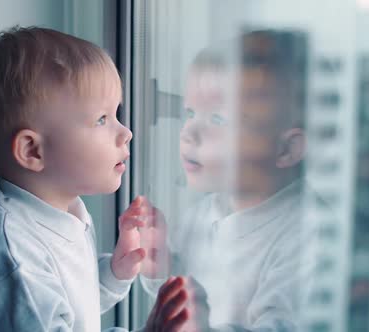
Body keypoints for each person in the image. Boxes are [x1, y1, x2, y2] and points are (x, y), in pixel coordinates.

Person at [0, 26, 190, 332]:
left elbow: (66, 305)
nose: (126, 132)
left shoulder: (61, 214)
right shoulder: (9, 250)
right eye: (101, 119)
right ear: (33, 150)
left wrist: (113, 271)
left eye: (116, 114)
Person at [133, 29, 316, 331]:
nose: (188, 132)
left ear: (285, 149)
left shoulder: (303, 233)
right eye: (190, 113)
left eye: (218, 119)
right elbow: (180, 298)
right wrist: (159, 265)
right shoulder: (204, 211)